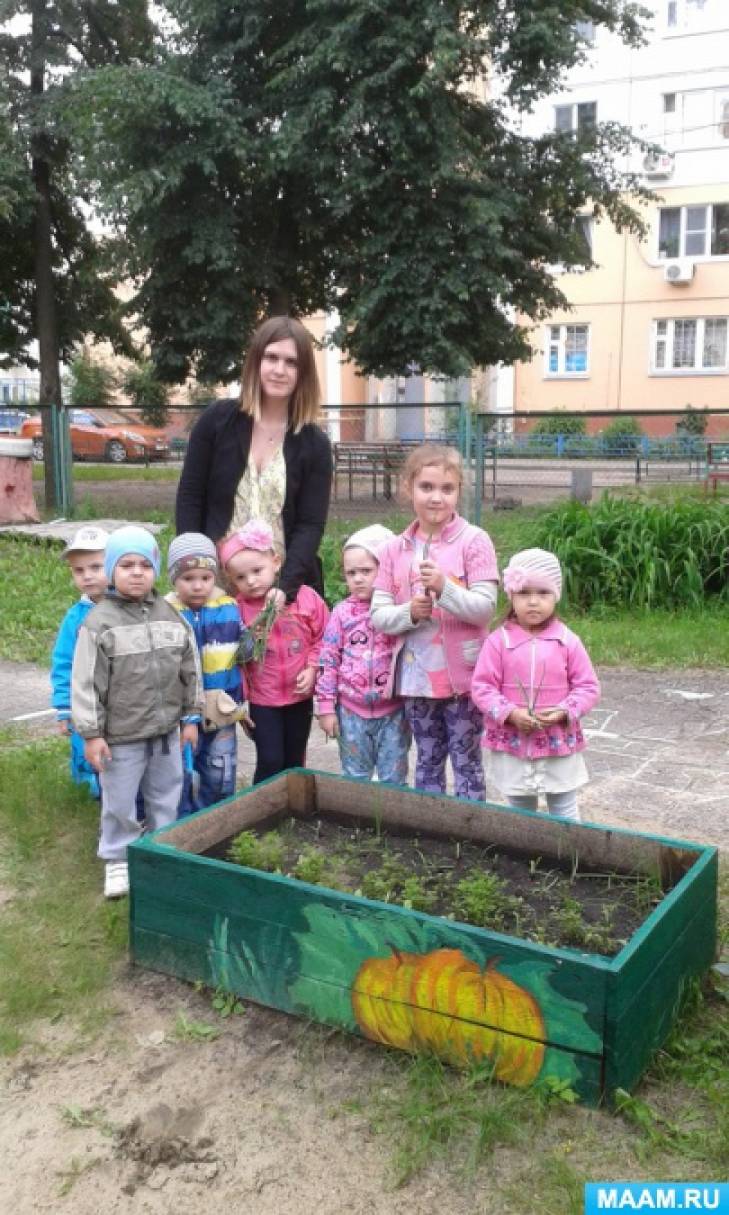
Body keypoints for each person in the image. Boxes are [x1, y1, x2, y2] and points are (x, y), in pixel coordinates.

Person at [71, 526, 203, 898]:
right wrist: (91, 734)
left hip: (165, 733)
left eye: (145, 565)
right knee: (120, 799)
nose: (136, 572)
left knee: (166, 793)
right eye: (126, 564)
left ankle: (162, 846)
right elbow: (85, 683)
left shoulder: (171, 616)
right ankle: (117, 858)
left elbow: (191, 668)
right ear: (111, 570)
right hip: (120, 736)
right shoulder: (99, 623)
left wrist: (191, 716)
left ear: (156, 571)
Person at [371, 443, 499, 800]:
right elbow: (379, 615)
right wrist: (409, 613)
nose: (436, 498)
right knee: (427, 760)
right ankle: (432, 832)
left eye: (447, 488)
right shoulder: (393, 550)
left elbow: (485, 609)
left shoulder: (475, 541)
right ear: (408, 488)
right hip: (416, 680)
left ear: (459, 492)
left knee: (467, 760)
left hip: (465, 680)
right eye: (426, 487)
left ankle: (470, 830)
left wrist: (445, 588)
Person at [175, 315, 333, 605]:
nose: (279, 370)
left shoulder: (315, 444)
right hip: (215, 586)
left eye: (291, 362)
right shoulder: (216, 421)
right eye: (271, 357)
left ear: (303, 373)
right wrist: (194, 569)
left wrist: (284, 589)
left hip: (281, 589)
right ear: (256, 362)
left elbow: (310, 525)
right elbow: (190, 497)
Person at [471, 548, 600, 822]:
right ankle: (525, 859)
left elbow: (588, 687)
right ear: (511, 596)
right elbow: (482, 687)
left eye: (543, 593)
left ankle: (568, 857)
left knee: (563, 805)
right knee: (519, 807)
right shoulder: (498, 641)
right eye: (524, 593)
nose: (533, 602)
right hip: (513, 743)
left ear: (556, 597)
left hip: (557, 742)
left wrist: (564, 711)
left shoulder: (567, 641)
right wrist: (511, 714)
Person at [219, 519, 328, 784]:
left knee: (294, 758)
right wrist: (249, 640)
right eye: (241, 577)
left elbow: (325, 637)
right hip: (263, 700)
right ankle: (262, 812)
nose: (251, 581)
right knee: (270, 759)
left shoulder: (304, 598)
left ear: (276, 562)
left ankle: (292, 810)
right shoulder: (237, 610)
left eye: (257, 570)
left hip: (299, 696)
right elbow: (234, 656)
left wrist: (313, 668)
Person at [315, 524, 411, 786]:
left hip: (394, 712)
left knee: (394, 778)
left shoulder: (399, 611)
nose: (358, 579)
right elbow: (328, 660)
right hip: (350, 712)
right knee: (354, 778)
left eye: (367, 571)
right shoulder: (341, 613)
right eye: (351, 572)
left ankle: (390, 825)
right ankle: (357, 826)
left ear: (387, 569)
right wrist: (325, 707)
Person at [166, 532, 253, 815]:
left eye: (205, 577)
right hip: (181, 712)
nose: (198, 586)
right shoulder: (166, 612)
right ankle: (183, 824)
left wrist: (251, 642)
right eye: (188, 578)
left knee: (220, 771)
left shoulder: (228, 606)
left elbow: (241, 646)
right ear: (173, 579)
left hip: (222, 707)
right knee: (181, 772)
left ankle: (218, 819)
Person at [51, 525, 110, 799]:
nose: (87, 576)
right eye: (79, 570)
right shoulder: (75, 618)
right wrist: (64, 708)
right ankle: (91, 790)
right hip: (84, 702)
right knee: (84, 745)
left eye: (96, 567)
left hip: (121, 701)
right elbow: (63, 662)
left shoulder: (131, 608)